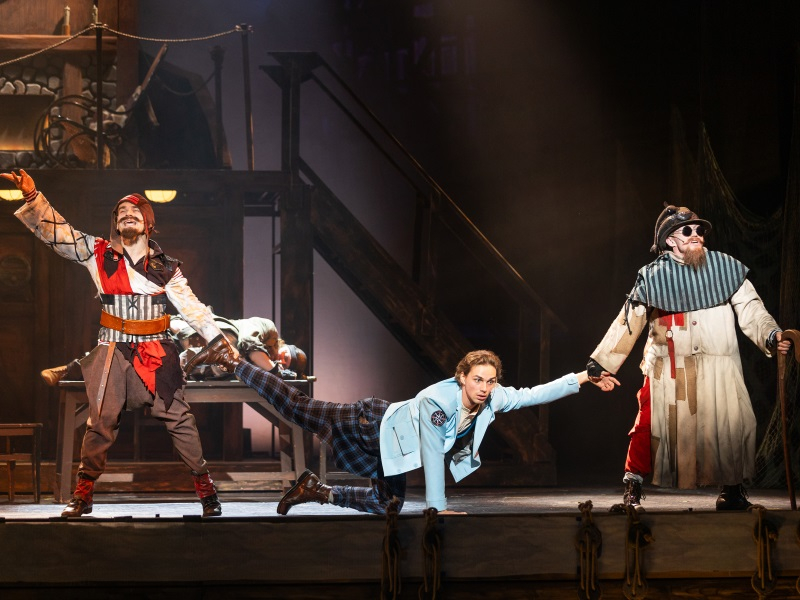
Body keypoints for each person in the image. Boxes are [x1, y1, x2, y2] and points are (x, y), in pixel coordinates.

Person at [2, 168, 237, 518]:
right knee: (100, 422)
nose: (127, 215)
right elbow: (59, 233)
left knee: (179, 418)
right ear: (114, 223)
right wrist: (33, 197)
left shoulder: (167, 268)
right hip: (112, 350)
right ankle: (83, 494)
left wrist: (220, 341)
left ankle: (206, 490)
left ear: (148, 223)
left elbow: (192, 308)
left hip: (156, 352)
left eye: (135, 211)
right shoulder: (96, 252)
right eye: (121, 212)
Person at [185, 338, 618, 515]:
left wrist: (584, 377)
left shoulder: (494, 397)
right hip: (371, 424)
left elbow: (534, 393)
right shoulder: (437, 401)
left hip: (392, 449)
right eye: (477, 380)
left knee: (388, 504)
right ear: (461, 378)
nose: (485, 389)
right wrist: (437, 506)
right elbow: (431, 450)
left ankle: (316, 491)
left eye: (490, 381)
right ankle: (231, 359)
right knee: (297, 407)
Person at [587, 204, 791, 511]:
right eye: (687, 230)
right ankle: (633, 489)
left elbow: (751, 308)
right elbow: (629, 320)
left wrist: (771, 334)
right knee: (648, 426)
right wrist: (602, 362)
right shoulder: (653, 277)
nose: (696, 235)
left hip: (718, 363)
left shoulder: (725, 268)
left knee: (730, 424)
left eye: (699, 230)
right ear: (670, 240)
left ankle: (732, 492)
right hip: (668, 366)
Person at [169, 315, 307, 379]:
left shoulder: (260, 369)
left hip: (184, 360)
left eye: (285, 364)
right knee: (234, 350)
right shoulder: (269, 329)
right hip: (197, 332)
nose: (281, 360)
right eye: (285, 356)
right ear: (285, 346)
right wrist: (274, 371)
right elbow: (248, 341)